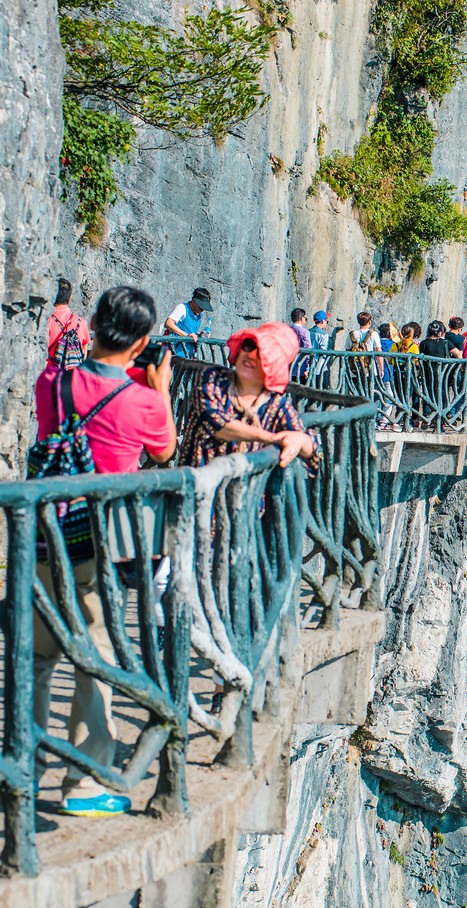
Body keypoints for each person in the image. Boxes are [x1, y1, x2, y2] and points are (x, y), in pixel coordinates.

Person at [32, 286, 178, 818]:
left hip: (45, 535)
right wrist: (158, 386)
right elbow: (164, 449)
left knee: (37, 656)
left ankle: (22, 767)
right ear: (141, 342)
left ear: (92, 324)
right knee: (95, 663)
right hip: (100, 542)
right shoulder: (142, 401)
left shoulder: (52, 381)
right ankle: (85, 784)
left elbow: (67, 417)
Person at [177, 322, 319, 474]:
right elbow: (216, 423)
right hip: (195, 490)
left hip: (245, 494)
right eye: (249, 345)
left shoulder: (276, 403)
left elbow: (313, 450)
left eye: (262, 353)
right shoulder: (213, 378)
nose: (251, 354)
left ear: (275, 365)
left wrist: (301, 440)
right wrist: (273, 438)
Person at [46, 277, 91, 369]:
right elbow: (84, 351)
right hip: (70, 376)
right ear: (70, 298)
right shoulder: (80, 322)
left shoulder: (47, 320)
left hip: (48, 373)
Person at [163, 287, 213, 357]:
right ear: (193, 300)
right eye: (200, 306)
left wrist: (200, 335)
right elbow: (168, 324)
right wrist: (186, 336)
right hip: (174, 352)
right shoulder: (182, 308)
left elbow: (190, 332)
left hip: (187, 353)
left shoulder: (199, 315)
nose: (202, 309)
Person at [289, 307, 313, 382]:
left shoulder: (286, 330)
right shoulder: (304, 332)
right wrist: (307, 368)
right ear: (302, 318)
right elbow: (308, 350)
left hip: (287, 368)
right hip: (300, 369)